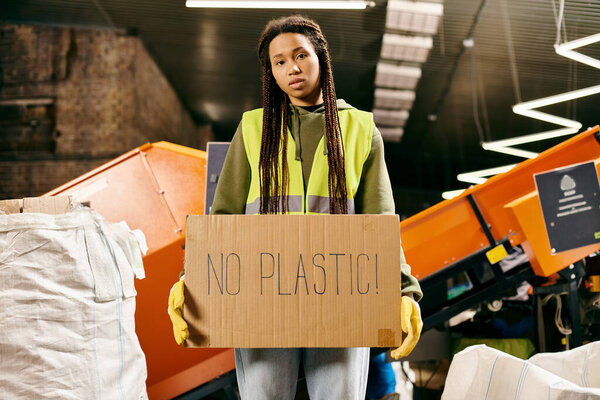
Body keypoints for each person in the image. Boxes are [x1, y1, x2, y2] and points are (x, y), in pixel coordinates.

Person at [168, 15, 423, 400]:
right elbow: (223, 214)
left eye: (300, 55)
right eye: (280, 62)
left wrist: (405, 290)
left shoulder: (360, 130)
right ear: (271, 72)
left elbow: (381, 222)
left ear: (321, 56)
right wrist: (193, 276)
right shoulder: (253, 129)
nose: (292, 68)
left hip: (341, 296)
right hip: (260, 293)